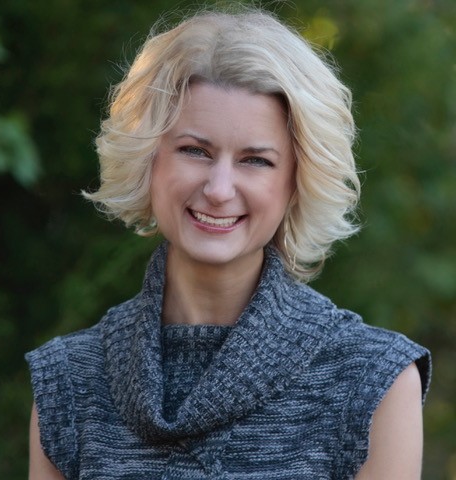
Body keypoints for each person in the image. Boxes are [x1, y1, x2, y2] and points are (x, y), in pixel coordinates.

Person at [26, 7, 431, 480]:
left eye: (255, 160)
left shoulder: (374, 381)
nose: (219, 189)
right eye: (195, 151)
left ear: (297, 181)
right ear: (147, 161)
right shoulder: (68, 382)